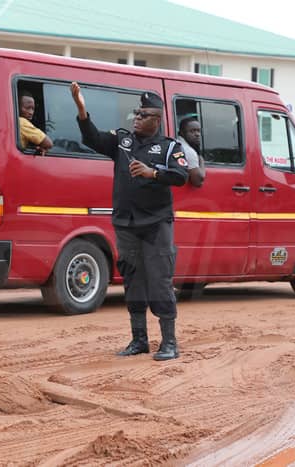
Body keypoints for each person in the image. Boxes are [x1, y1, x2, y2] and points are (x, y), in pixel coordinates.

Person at [70, 81, 188, 361]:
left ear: (157, 120)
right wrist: (81, 109)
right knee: (133, 281)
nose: (137, 117)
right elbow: (93, 139)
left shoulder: (169, 148)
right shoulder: (122, 141)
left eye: (143, 114)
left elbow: (182, 176)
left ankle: (169, 343)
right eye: (136, 113)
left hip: (156, 225)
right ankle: (139, 340)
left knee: (159, 281)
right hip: (126, 224)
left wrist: (153, 173)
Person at [177, 117, 205, 187]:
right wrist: (201, 160)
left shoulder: (177, 143)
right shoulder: (188, 151)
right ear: (182, 133)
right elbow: (198, 181)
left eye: (198, 131)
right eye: (192, 131)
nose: (197, 134)